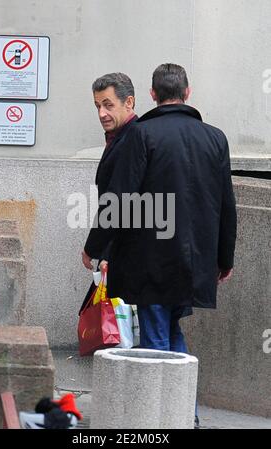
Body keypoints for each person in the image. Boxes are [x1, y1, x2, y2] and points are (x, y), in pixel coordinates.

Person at [82, 64, 237, 428]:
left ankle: (159, 423)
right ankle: (187, 416)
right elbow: (226, 204)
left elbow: (119, 201)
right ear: (188, 92)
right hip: (195, 261)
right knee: (170, 333)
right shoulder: (215, 138)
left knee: (154, 340)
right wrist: (224, 258)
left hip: (151, 260)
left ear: (151, 94)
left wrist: (94, 247)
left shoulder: (141, 134)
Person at [80, 72, 138, 313]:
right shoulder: (121, 136)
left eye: (108, 105)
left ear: (129, 103)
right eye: (97, 106)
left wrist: (98, 251)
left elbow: (120, 201)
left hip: (128, 251)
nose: (101, 113)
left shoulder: (133, 138)